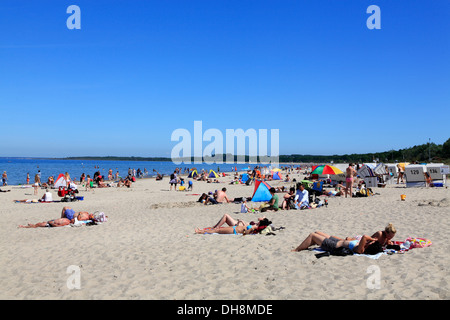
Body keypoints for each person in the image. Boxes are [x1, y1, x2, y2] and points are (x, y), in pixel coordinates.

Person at [291, 231, 378, 254]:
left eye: (371, 244)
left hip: (334, 246)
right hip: (338, 241)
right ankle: (309, 244)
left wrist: (373, 240)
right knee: (317, 232)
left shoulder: (361, 249)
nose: (369, 242)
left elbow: (365, 236)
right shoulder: (362, 245)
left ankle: (297, 249)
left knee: (312, 235)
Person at [195, 218, 272, 235]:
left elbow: (246, 233)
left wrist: (251, 228)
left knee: (217, 230)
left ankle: (200, 232)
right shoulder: (255, 225)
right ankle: (201, 231)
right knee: (218, 229)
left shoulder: (254, 227)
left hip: (234, 231)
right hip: (234, 228)